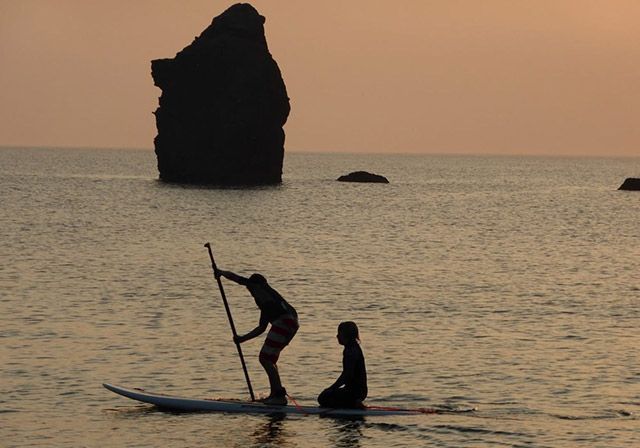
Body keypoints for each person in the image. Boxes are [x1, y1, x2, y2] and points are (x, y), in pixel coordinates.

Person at [215, 270, 298, 405]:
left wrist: (221, 272)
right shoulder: (268, 301)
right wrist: (242, 339)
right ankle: (276, 393)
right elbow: (261, 328)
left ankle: (278, 396)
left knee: (265, 359)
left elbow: (238, 278)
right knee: (270, 359)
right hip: (292, 324)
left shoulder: (260, 289)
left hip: (284, 323)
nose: (250, 289)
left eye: (251, 287)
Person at [318, 321, 368, 409]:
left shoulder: (350, 351)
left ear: (346, 336)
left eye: (339, 333)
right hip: (359, 391)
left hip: (355, 392)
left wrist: (331, 388)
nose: (337, 336)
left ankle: (353, 404)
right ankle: (353, 403)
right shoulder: (353, 347)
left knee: (322, 398)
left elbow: (347, 375)